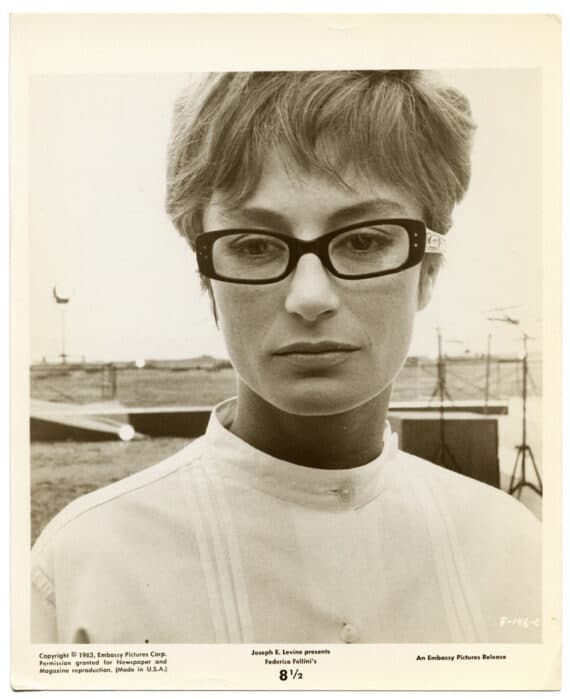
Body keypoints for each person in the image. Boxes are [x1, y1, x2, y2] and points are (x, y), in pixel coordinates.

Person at [31, 70, 541, 644]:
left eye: (365, 239)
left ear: (427, 270)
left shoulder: (519, 559)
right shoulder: (82, 570)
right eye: (254, 245)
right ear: (207, 280)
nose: (309, 297)